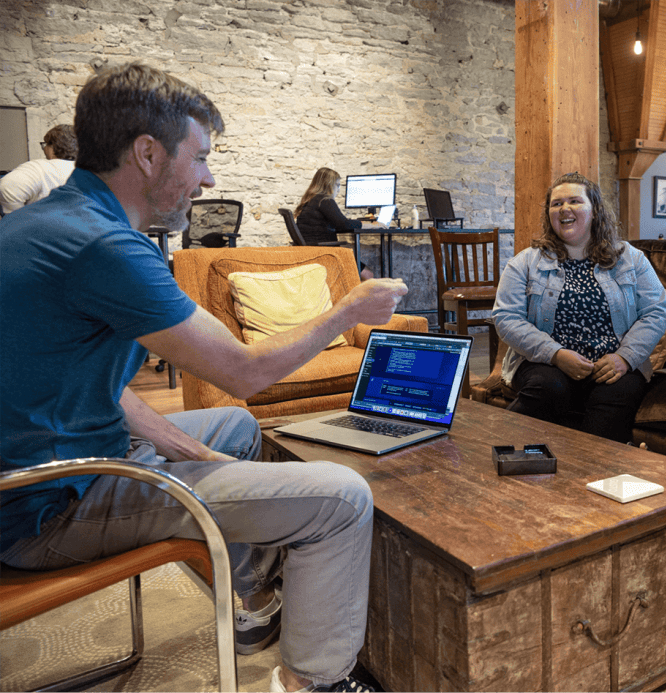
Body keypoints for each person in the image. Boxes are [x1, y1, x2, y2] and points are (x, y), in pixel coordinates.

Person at [0, 63, 410, 693]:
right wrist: (348, 310)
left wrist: (179, 446)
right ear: (146, 153)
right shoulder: (105, 247)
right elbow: (244, 372)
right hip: (46, 506)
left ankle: (253, 605)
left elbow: (84, 376)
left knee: (233, 427)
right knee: (341, 498)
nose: (209, 178)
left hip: (40, 460)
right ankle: (314, 682)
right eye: (199, 157)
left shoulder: (41, 222)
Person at [491, 172, 666, 443]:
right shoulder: (524, 263)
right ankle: (505, 453)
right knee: (548, 387)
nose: (564, 209)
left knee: (614, 396)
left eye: (575, 201)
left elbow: (655, 312)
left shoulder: (631, 259)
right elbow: (506, 317)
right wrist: (556, 354)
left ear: (595, 210)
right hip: (545, 363)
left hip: (614, 364)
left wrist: (625, 357)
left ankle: (593, 472)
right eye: (556, 203)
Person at [296, 167, 376, 281]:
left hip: (314, 251)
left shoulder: (310, 200)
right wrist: (370, 225)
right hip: (326, 252)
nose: (339, 189)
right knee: (368, 274)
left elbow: (337, 223)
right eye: (337, 185)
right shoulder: (324, 200)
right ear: (328, 185)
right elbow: (344, 224)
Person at [0, 124, 77, 214]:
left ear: (52, 147)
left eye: (45, 145)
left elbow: (7, 186)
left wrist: (18, 219)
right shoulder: (90, 170)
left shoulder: (39, 168)